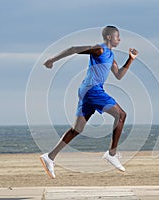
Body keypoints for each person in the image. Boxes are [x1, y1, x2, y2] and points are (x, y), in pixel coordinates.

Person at [40, 26, 138, 178]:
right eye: (118, 36)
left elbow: (118, 75)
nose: (120, 39)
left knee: (77, 129)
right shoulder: (99, 49)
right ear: (109, 37)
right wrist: (52, 60)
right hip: (92, 91)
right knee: (121, 115)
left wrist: (130, 59)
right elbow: (73, 49)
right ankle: (112, 153)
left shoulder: (111, 56)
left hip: (87, 91)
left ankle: (49, 157)